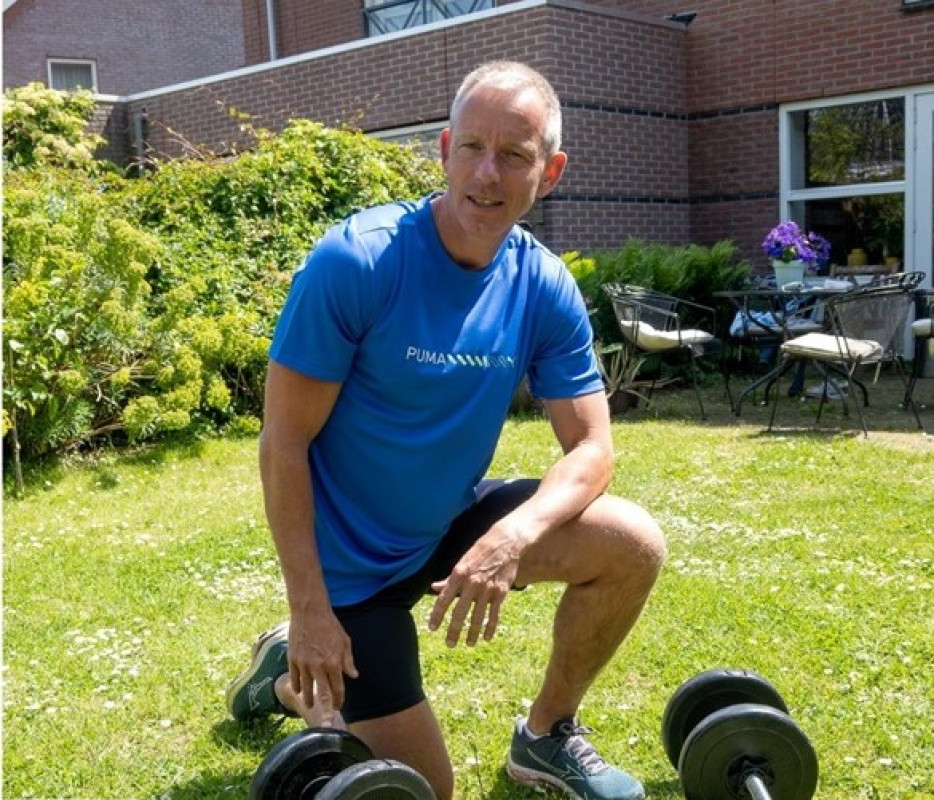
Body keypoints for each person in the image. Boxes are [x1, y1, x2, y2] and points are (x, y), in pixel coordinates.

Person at [226, 61, 666, 800]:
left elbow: (591, 448)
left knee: (633, 545)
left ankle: (546, 737)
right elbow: (284, 442)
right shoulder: (358, 261)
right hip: (348, 576)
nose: (487, 174)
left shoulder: (543, 283)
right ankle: (294, 675)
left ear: (549, 172)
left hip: (444, 525)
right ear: (443, 150)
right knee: (423, 791)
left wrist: (511, 538)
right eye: (471, 148)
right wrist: (309, 608)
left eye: (515, 155)